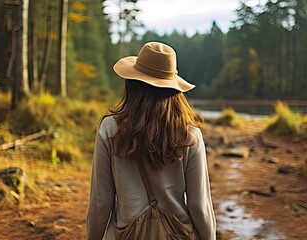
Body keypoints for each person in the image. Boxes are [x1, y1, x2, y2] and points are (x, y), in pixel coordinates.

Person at [86, 42, 216, 239]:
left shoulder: (110, 129)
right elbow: (200, 205)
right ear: (173, 90)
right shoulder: (189, 135)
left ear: (132, 83)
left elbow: (100, 201)